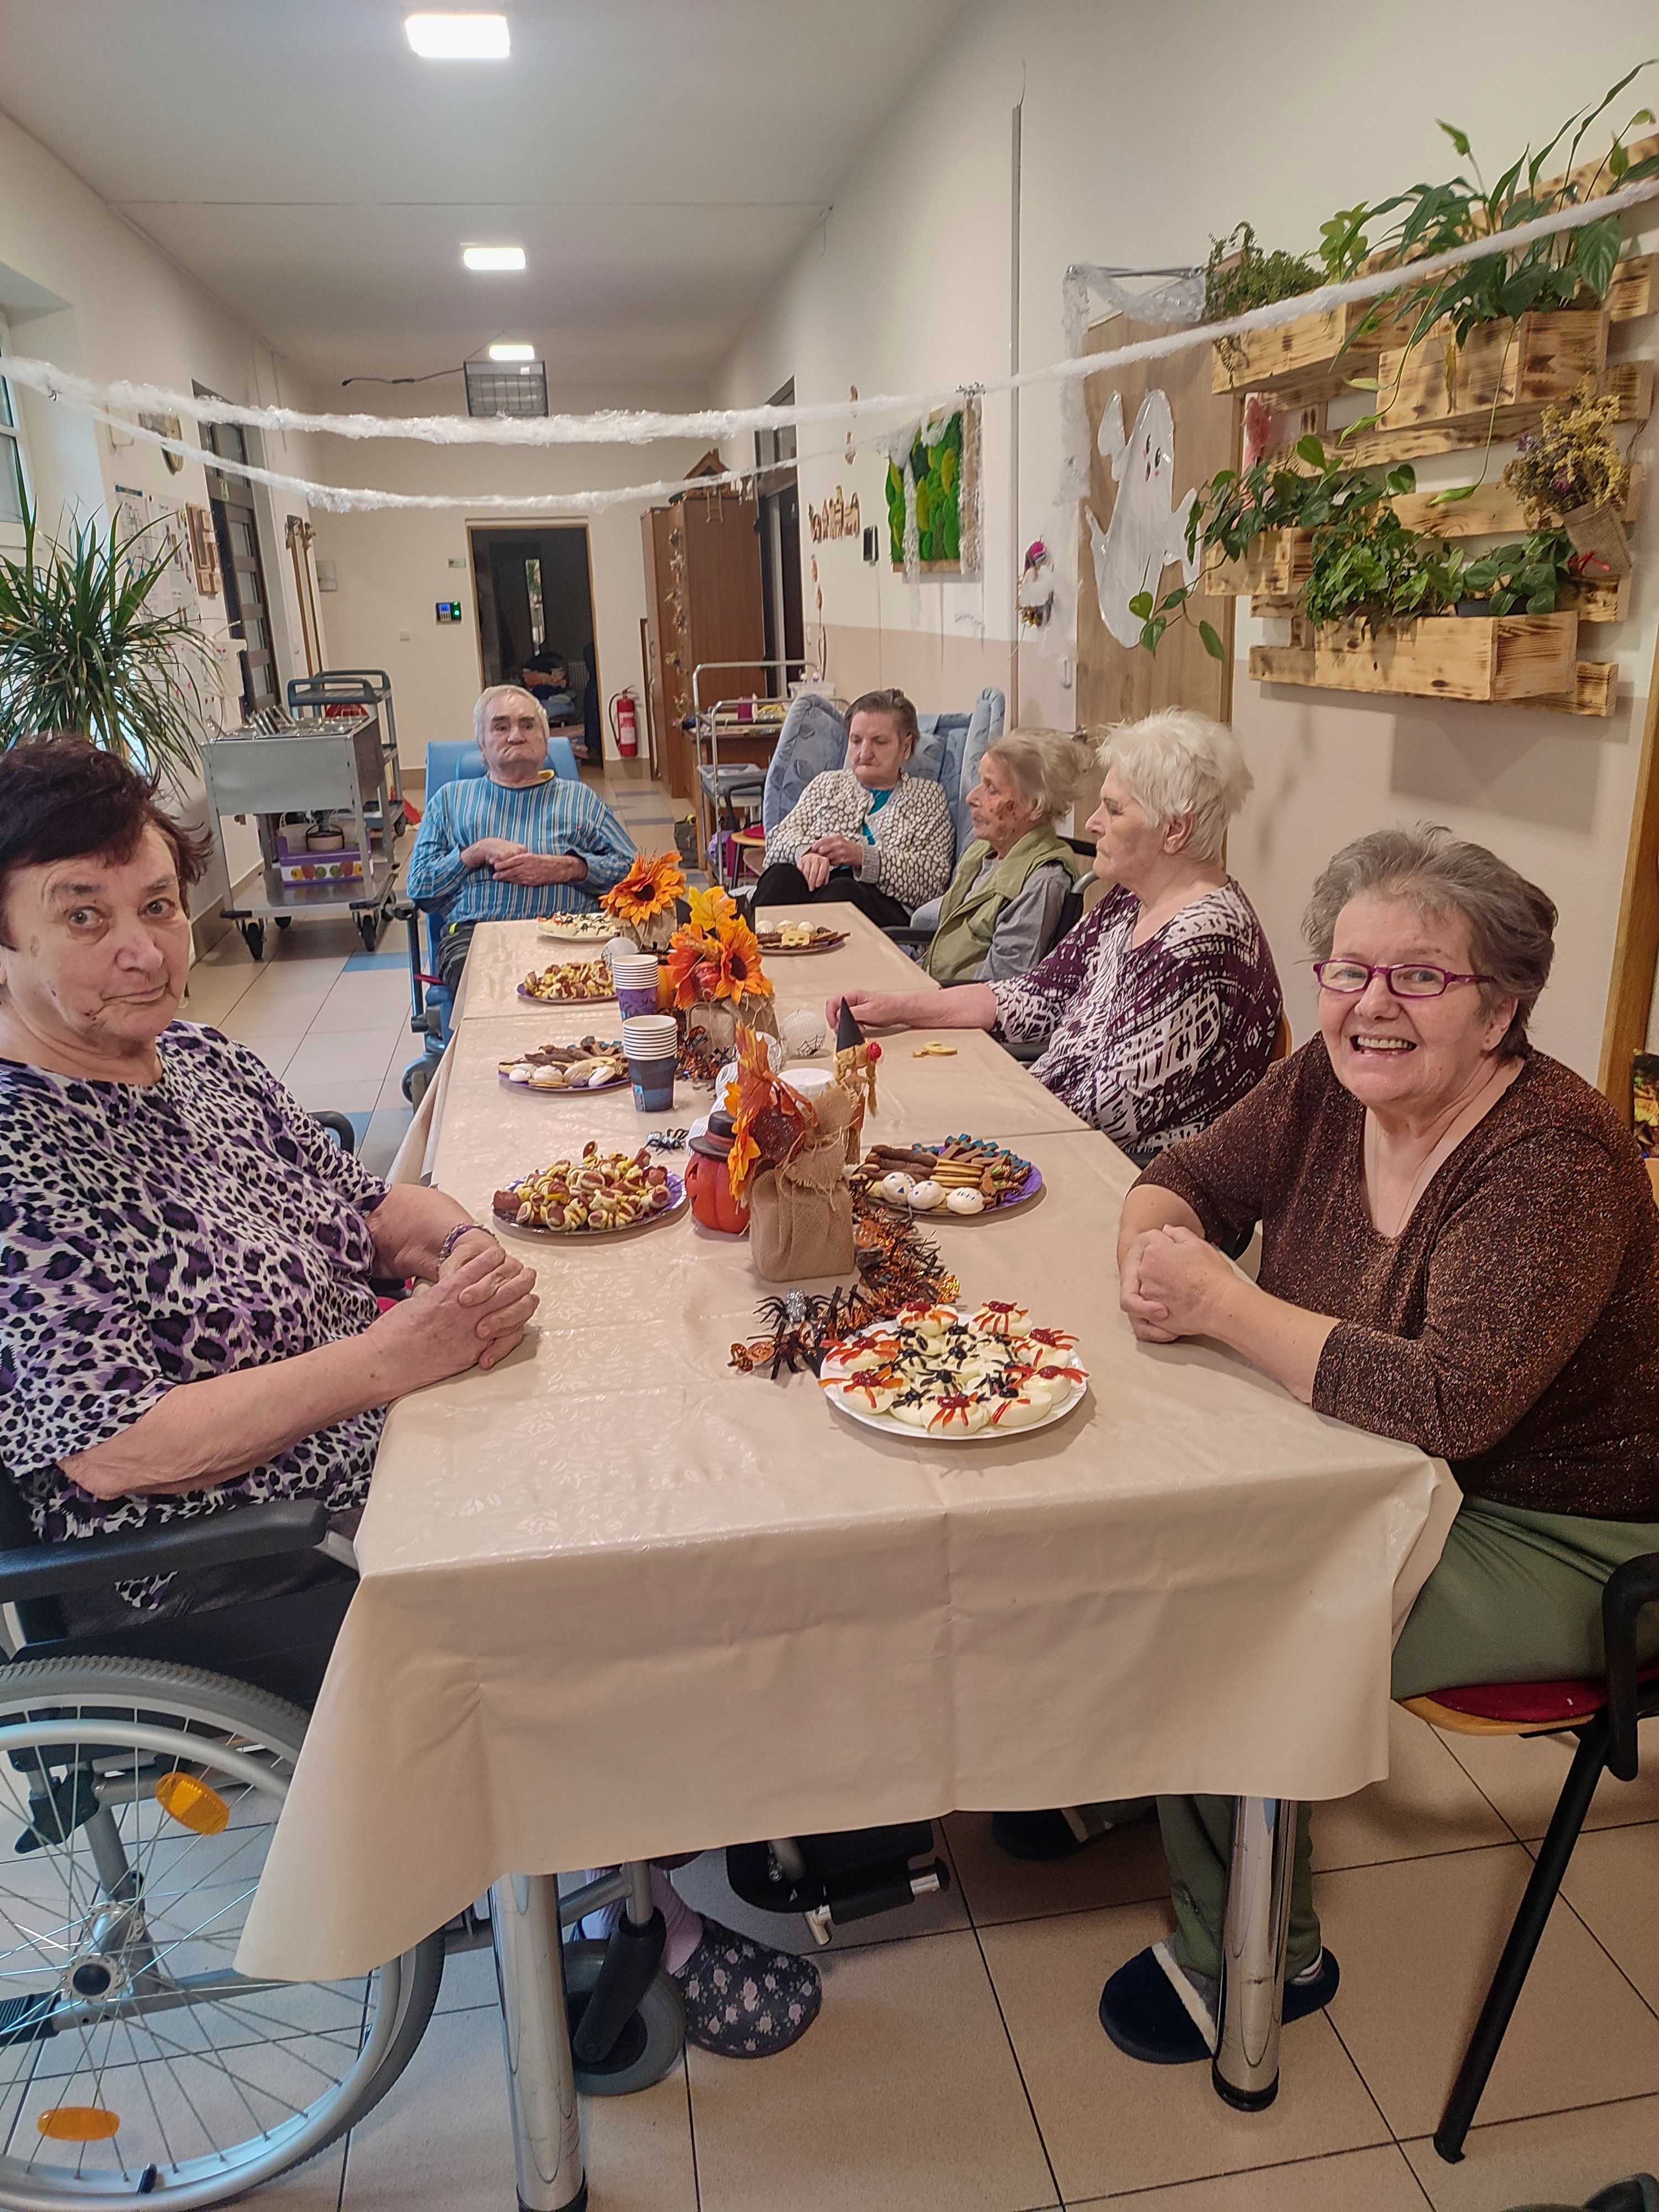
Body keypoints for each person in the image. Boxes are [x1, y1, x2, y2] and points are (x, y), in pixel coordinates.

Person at [0, 735, 821, 2062]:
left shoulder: (196, 1060)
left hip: (385, 1447)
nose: (144, 949)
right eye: (83, 918)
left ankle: (699, 1800)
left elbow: (363, 1208)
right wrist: (393, 1362)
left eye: (157, 904)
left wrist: (458, 1243)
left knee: (662, 1439)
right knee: (588, 1591)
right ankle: (642, 1907)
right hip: (219, 1560)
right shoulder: (20, 1155)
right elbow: (114, 1448)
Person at [1095, 825, 1659, 2067]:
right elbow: (1187, 1174)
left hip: (1561, 1525)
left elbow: (1451, 1403)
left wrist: (1222, 1302)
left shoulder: (1551, 1156)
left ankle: (1256, 1955)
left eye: (1421, 975)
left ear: (1501, 1008)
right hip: (1377, 1461)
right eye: (1349, 970)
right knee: (1143, 1517)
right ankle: (1146, 1781)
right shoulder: (1328, 1080)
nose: (1372, 1004)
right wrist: (1153, 1251)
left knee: (1233, 1609)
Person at [830, 709, 1282, 1161]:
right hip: (1052, 1123)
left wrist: (971, 1112)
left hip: (1118, 1171)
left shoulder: (1202, 943)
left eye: (1114, 809)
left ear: (1175, 830)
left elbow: (1109, 1113)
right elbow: (1037, 994)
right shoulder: (1130, 901)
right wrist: (899, 1008)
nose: (1093, 823)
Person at [405, 685, 635, 996]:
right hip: (477, 934)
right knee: (487, 991)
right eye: (501, 727)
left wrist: (572, 868)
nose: (516, 736)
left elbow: (636, 874)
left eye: (527, 726)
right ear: (482, 746)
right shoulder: (450, 801)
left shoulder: (580, 799)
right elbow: (420, 888)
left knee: (605, 981)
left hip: (575, 930)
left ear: (545, 743)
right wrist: (473, 854)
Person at [752, 687, 952, 928]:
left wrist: (862, 857)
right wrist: (806, 853)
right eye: (856, 741)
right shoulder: (827, 784)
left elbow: (933, 880)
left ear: (906, 747)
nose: (864, 753)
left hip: (881, 904)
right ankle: (752, 948)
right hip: (816, 888)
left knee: (842, 892)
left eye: (879, 742)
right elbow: (778, 840)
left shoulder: (928, 797)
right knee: (780, 878)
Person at [917, 728, 1091, 983]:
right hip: (931, 984)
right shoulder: (982, 850)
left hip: (957, 1001)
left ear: (1034, 806)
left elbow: (999, 986)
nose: (971, 798)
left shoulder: (1044, 881)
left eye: (991, 789)